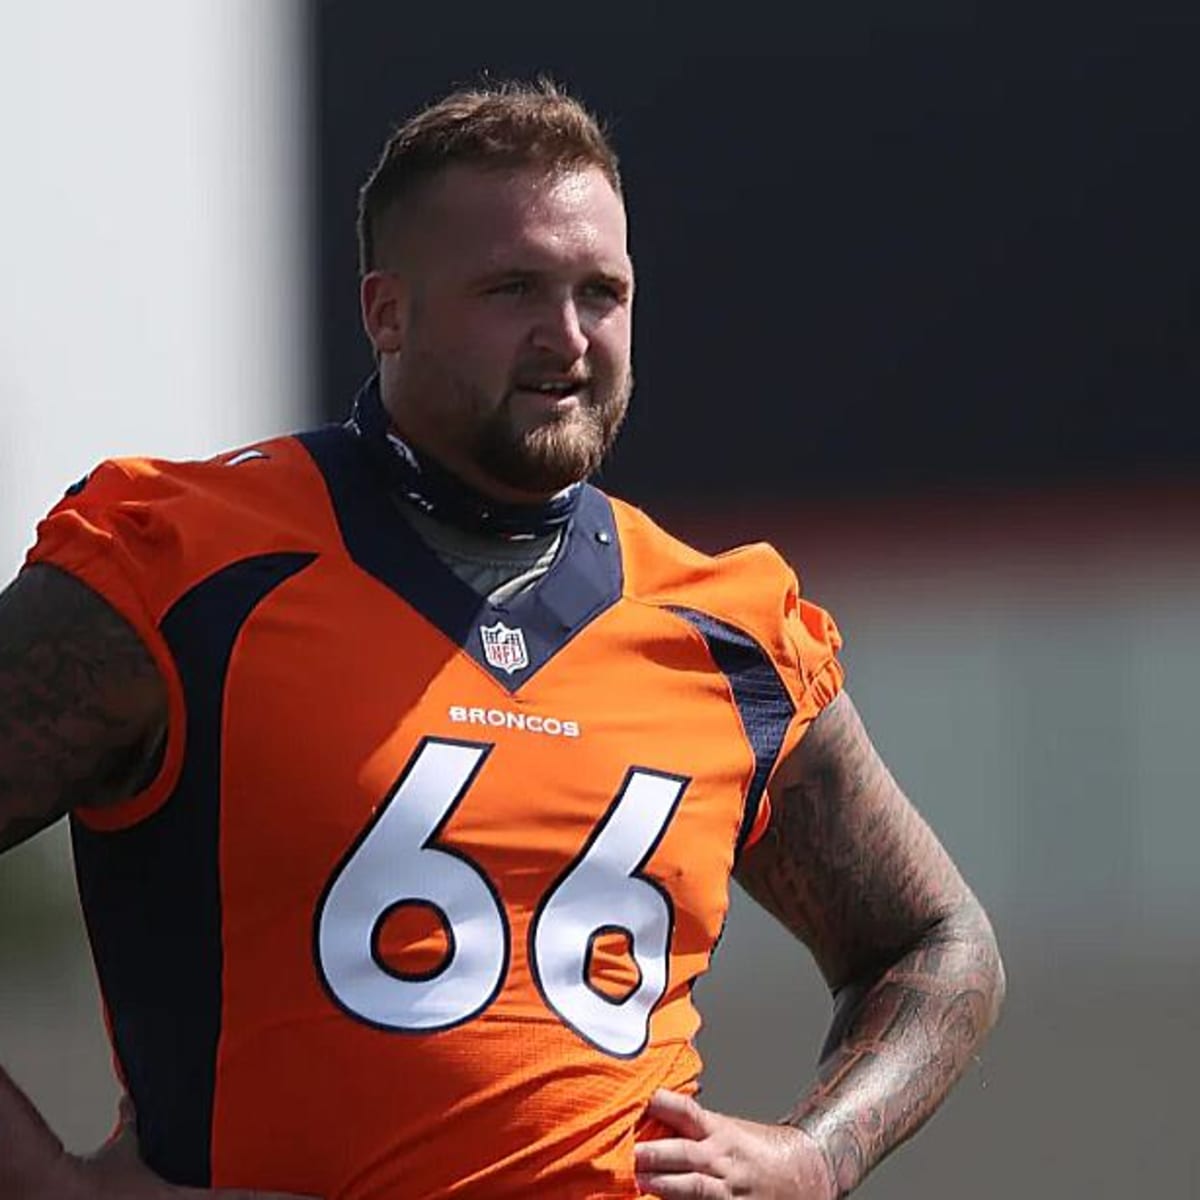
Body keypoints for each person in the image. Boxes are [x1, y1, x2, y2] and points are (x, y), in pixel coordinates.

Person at [0, 80, 1004, 1200]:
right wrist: (45, 1181)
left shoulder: (728, 631)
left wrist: (822, 1150)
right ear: (388, 311)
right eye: (513, 288)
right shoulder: (183, 569)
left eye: (602, 292)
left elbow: (935, 940)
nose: (568, 337)